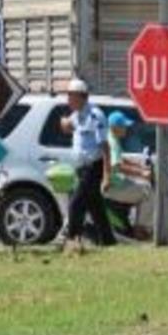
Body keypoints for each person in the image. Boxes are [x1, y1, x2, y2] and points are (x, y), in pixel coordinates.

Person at [59, 77, 116, 253]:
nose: (68, 100)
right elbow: (67, 126)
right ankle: (108, 242)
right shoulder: (77, 115)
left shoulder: (95, 116)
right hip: (81, 169)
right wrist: (63, 122)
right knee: (95, 207)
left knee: (76, 204)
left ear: (81, 97)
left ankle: (72, 242)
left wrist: (107, 175)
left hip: (93, 167)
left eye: (71, 96)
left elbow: (105, 147)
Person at [103, 111, 154, 240]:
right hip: (113, 186)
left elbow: (121, 159)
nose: (126, 128)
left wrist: (140, 166)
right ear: (116, 127)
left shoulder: (112, 138)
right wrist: (142, 173)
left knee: (143, 185)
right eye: (124, 126)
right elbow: (117, 166)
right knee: (148, 192)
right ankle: (140, 229)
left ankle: (133, 225)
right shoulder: (112, 142)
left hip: (117, 182)